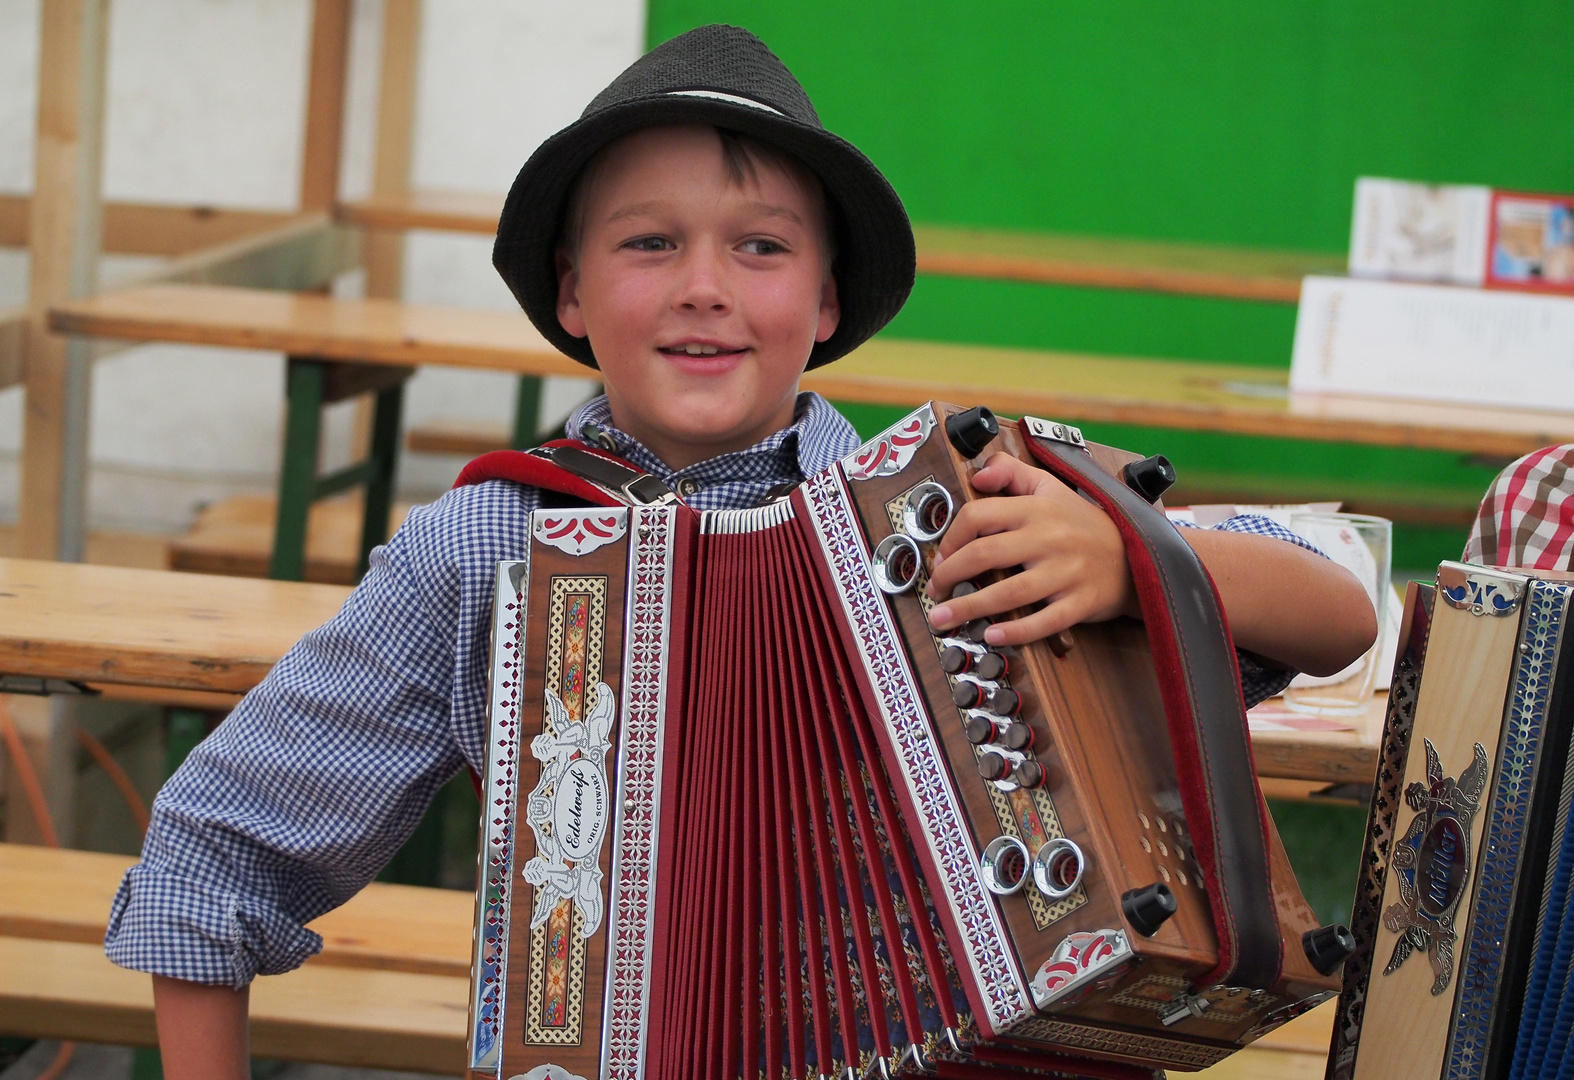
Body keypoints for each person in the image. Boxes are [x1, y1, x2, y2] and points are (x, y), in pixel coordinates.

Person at [104, 24, 1376, 1079]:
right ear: (570, 292)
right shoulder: (491, 540)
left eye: (759, 246)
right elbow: (217, 848)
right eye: (647, 243)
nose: (703, 285)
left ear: (822, 303)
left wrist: (1130, 553)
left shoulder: (956, 510)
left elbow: (1337, 610)